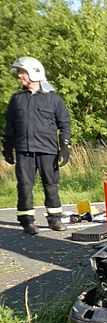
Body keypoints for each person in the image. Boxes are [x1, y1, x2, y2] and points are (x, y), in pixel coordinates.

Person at [2, 56, 71, 235]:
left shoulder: (54, 99)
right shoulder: (16, 99)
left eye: (22, 73)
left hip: (47, 150)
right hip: (24, 150)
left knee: (51, 185)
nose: (20, 77)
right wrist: (7, 148)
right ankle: (27, 221)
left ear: (33, 73)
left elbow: (64, 123)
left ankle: (54, 219)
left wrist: (65, 146)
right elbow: (9, 125)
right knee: (24, 186)